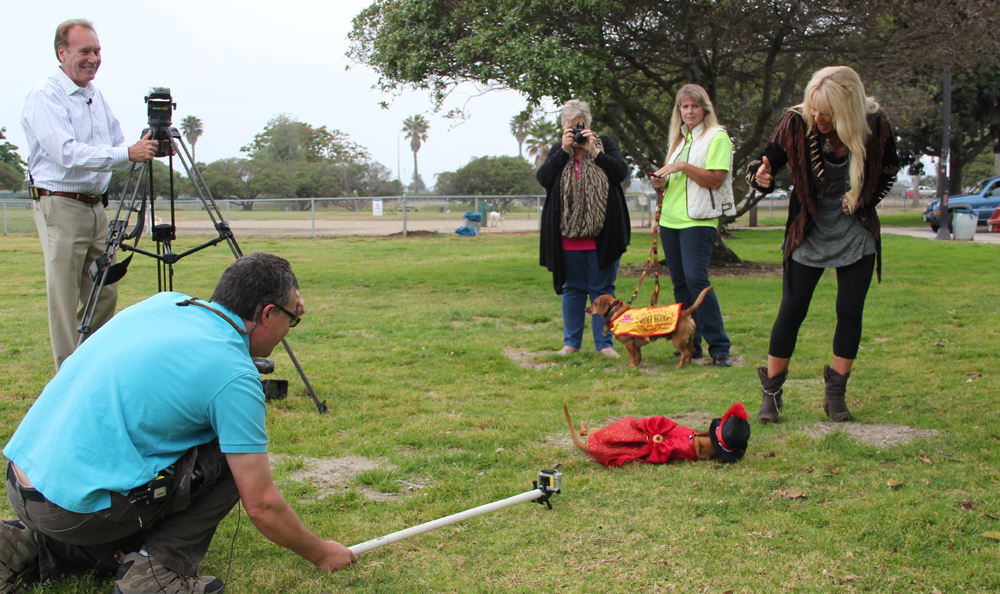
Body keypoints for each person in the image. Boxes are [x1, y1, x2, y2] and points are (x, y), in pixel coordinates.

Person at [2, 253, 356, 594]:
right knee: (233, 454)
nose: (293, 322)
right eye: (291, 318)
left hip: (21, 482)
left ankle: (30, 541)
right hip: (72, 511)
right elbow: (262, 504)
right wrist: (321, 553)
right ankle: (158, 573)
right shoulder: (233, 374)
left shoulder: (167, 303)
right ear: (266, 314)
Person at [746, 66, 900, 423]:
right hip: (808, 229)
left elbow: (890, 168)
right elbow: (763, 163)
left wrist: (864, 199)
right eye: (814, 108)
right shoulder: (796, 122)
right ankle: (771, 392)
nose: (818, 117)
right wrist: (761, 176)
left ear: (848, 108)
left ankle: (836, 394)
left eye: (827, 113)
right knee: (793, 308)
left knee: (849, 310)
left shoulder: (874, 124)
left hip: (855, 229)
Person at [22, 19, 161, 370]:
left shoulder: (95, 96)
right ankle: (66, 380)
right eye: (84, 51)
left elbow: (116, 145)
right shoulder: (45, 95)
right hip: (60, 204)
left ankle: (91, 368)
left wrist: (147, 146)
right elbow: (66, 154)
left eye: (97, 51)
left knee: (105, 289)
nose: (93, 58)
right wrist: (126, 153)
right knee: (65, 297)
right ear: (62, 52)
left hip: (97, 208)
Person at [650, 84, 737, 367]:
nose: (689, 111)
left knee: (696, 280)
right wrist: (660, 181)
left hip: (697, 220)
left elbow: (715, 179)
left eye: (694, 106)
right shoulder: (678, 141)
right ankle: (689, 345)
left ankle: (719, 346)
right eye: (684, 106)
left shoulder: (717, 137)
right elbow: (674, 180)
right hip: (670, 220)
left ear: (705, 109)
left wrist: (682, 167)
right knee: (680, 285)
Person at [538, 99, 631, 357]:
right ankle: (571, 343)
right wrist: (563, 150)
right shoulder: (559, 150)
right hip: (567, 237)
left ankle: (605, 345)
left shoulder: (604, 144)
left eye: (580, 126)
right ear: (564, 128)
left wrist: (595, 151)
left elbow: (620, 173)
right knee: (572, 290)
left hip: (603, 236)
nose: (577, 132)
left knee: (603, 291)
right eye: (571, 127)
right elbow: (544, 179)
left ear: (589, 125)